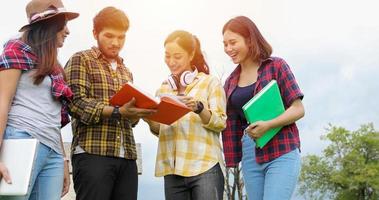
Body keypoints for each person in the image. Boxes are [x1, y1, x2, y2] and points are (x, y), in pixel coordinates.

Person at [64, 6, 155, 200]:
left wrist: (137, 113)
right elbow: (76, 103)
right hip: (93, 153)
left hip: (127, 157)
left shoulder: (126, 72)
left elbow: (129, 120)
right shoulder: (81, 59)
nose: (116, 43)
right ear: (95, 33)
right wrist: (118, 111)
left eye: (121, 37)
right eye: (109, 36)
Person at [0, 0, 79, 199]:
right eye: (64, 24)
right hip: (21, 139)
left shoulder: (54, 66)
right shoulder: (16, 48)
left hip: (51, 149)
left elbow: (53, 115)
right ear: (49, 24)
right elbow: (2, 101)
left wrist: (62, 160)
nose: (68, 31)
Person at [222, 16, 305, 200]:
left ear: (249, 39)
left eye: (233, 42)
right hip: (250, 153)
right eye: (225, 44)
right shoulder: (230, 82)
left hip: (281, 149)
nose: (228, 49)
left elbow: (298, 109)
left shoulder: (276, 66)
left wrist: (269, 124)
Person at [145, 30, 226, 200]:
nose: (171, 62)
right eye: (167, 56)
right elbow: (160, 129)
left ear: (191, 55)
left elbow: (220, 122)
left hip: (204, 167)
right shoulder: (163, 89)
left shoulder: (210, 82)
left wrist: (199, 108)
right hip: (173, 170)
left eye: (177, 56)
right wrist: (147, 117)